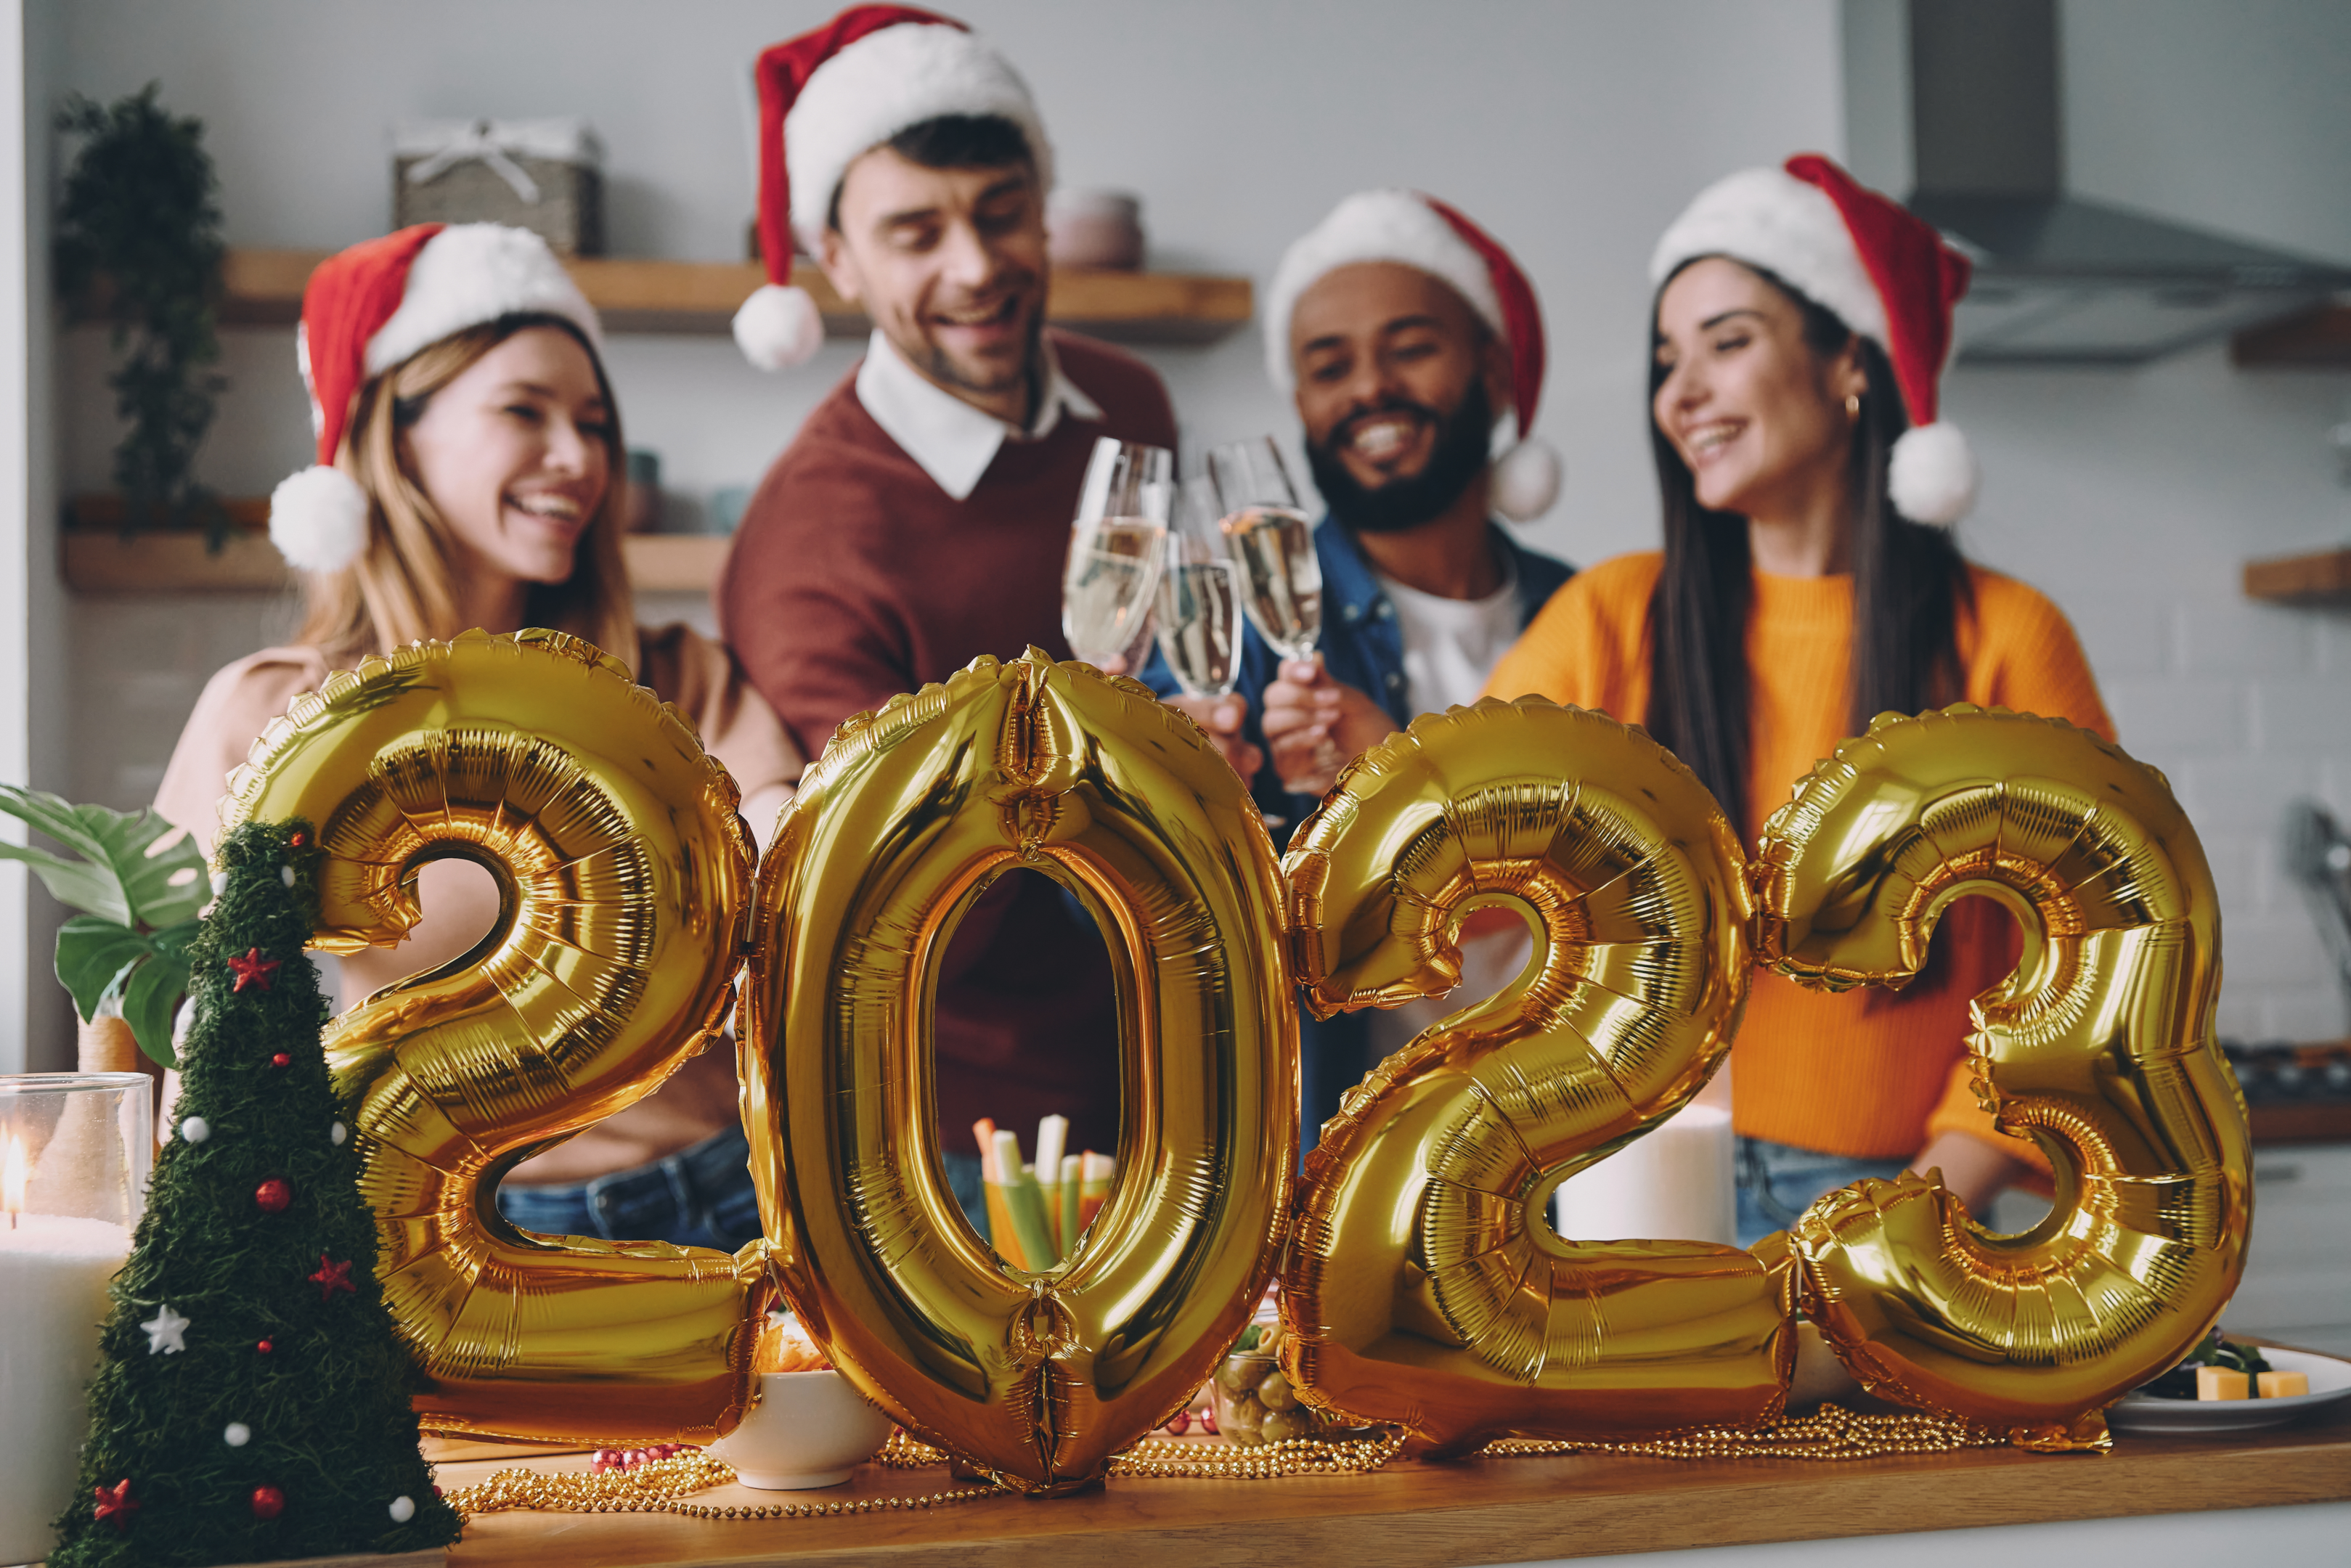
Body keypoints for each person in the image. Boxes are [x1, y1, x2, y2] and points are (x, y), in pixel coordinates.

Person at [1484, 155, 2113, 1245]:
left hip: (1888, 1202)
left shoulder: (2005, 641)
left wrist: (1909, 1223)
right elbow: (1470, 899)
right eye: (1666, 358)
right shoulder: (1609, 617)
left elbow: (2085, 981)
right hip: (1616, 1189)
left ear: (1846, 365)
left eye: (1726, 343)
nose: (1678, 395)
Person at [155, 222, 802, 1251]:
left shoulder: (676, 676)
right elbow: (171, 1025)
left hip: (726, 1211)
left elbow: (784, 838)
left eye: (592, 424)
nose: (577, 458)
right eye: (523, 412)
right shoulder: (275, 720)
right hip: (428, 1245)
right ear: (395, 434)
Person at [717, 7, 1179, 1226]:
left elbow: (1180, 675)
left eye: (999, 209)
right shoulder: (813, 535)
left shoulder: (1127, 409)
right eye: (916, 231)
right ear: (838, 260)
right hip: (964, 1153)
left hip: (1192, 1079)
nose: (975, 265)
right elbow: (898, 916)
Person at [1144, 189, 1573, 1141]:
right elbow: (1118, 912)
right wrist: (1175, 802)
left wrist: (1403, 788)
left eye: (1410, 347)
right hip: (1346, 1173)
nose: (1368, 388)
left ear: (1493, 372)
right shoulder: (1243, 641)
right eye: (1327, 366)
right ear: (1300, 404)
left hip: (1578, 1154)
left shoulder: (1587, 614)